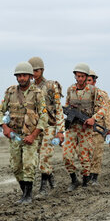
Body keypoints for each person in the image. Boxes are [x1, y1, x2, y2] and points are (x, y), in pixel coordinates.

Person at [0, 62, 48, 204]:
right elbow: (0, 112)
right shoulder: (10, 92)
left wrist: (34, 135)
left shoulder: (37, 94)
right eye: (19, 76)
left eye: (24, 75)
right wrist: (4, 126)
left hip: (30, 135)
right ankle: (24, 193)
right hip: (15, 136)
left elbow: (44, 117)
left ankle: (28, 195)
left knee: (29, 165)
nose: (21, 78)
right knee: (15, 166)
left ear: (30, 76)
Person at [28, 56, 64, 196]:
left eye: (36, 71)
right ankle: (50, 176)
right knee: (39, 157)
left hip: (49, 126)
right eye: (32, 71)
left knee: (44, 156)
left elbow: (58, 108)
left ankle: (43, 188)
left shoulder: (50, 86)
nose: (34, 74)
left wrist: (60, 130)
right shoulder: (29, 88)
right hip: (36, 128)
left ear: (42, 70)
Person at [86, 70, 110, 185]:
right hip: (84, 130)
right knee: (85, 154)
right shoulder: (78, 94)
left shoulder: (102, 94)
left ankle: (94, 177)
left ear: (94, 81)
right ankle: (87, 175)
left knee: (97, 154)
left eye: (89, 80)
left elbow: (107, 112)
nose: (87, 83)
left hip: (98, 128)